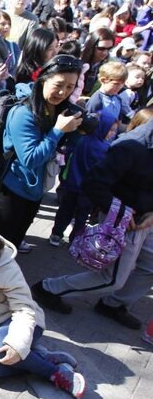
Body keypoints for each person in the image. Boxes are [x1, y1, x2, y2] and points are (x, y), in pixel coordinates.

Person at [32, 118, 153, 331]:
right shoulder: (130, 146)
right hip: (123, 220)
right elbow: (93, 184)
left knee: (149, 267)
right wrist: (121, 211)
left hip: (146, 218)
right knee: (112, 279)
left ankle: (113, 304)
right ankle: (48, 289)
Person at [0, 222, 86, 399]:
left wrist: (18, 343)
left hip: (18, 320)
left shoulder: (5, 267)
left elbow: (23, 308)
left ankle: (56, 373)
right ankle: (39, 357)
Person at [0, 55, 84, 248]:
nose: (63, 92)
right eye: (58, 84)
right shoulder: (23, 113)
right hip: (12, 191)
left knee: (13, 245)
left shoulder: (56, 109)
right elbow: (30, 159)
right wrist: (57, 131)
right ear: (43, 79)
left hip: (35, 191)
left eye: (70, 87)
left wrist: (76, 130)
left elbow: (64, 147)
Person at [50, 61, 129, 246]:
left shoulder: (117, 100)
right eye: (116, 83)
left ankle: (66, 235)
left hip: (80, 174)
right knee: (75, 209)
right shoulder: (97, 101)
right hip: (85, 177)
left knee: (73, 209)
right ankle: (67, 236)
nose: (120, 87)